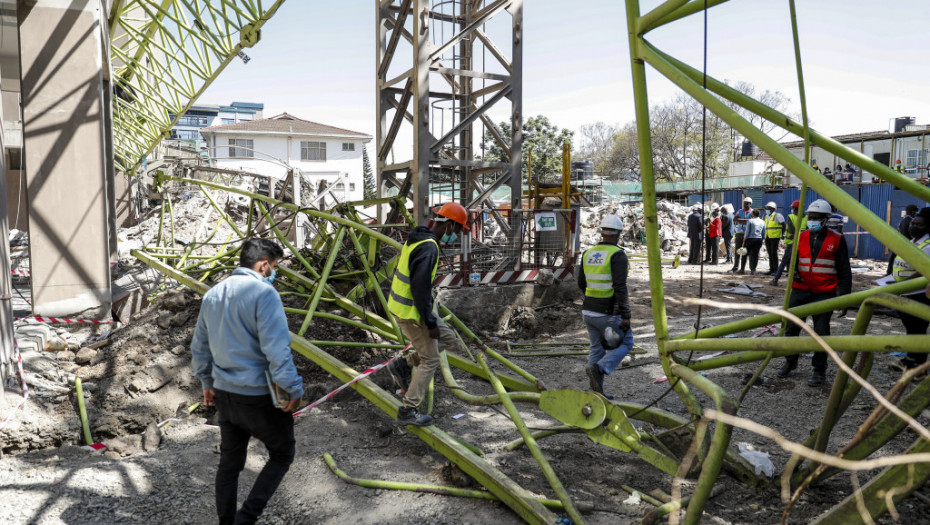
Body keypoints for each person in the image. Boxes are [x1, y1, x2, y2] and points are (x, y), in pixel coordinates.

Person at [191, 238, 304, 525]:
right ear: (264, 263)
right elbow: (276, 351)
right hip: (258, 396)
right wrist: (292, 389)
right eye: (274, 267)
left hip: (224, 395)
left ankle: (227, 522)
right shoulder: (264, 294)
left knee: (229, 464)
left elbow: (200, 347)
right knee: (282, 454)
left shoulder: (213, 294)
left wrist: (206, 381)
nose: (273, 273)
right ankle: (247, 518)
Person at [386, 202, 469, 427]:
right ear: (450, 225)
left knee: (450, 341)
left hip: (414, 309)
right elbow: (420, 288)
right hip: (412, 313)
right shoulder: (429, 247)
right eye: (459, 229)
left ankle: (404, 364)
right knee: (431, 359)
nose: (459, 234)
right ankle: (408, 410)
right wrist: (430, 321)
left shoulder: (421, 238)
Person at [776, 199, 852, 386]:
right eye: (811, 217)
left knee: (821, 332)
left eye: (817, 218)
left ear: (826, 219)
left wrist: (844, 298)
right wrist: (791, 273)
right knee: (791, 328)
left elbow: (844, 270)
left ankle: (819, 370)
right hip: (800, 291)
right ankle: (790, 362)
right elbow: (791, 261)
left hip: (823, 294)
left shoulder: (837, 240)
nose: (813, 220)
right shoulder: (801, 237)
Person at [578, 214, 633, 398]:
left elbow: (581, 283)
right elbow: (620, 287)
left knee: (596, 349)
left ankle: (596, 395)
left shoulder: (588, 253)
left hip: (588, 312)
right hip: (608, 314)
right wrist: (626, 314)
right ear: (618, 234)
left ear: (602, 232)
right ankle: (601, 368)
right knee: (626, 342)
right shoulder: (618, 255)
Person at [889, 207, 930, 372]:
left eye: (918, 224)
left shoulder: (927, 246)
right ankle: (910, 360)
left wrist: (901, 284)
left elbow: (923, 272)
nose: (913, 226)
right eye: (913, 223)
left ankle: (919, 367)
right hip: (905, 292)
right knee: (911, 330)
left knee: (918, 330)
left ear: (927, 228)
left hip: (919, 295)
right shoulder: (912, 242)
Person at [771, 200, 807, 286]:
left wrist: (794, 235)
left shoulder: (790, 216)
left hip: (791, 243)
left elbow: (791, 230)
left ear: (795, 208)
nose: (792, 209)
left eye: (793, 208)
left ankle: (776, 279)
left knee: (784, 261)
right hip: (802, 243)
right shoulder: (806, 218)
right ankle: (797, 279)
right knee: (798, 261)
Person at [886, 204, 919, 275]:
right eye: (916, 212)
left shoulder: (903, 220)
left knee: (893, 259)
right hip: (907, 244)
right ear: (913, 212)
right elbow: (909, 233)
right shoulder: (911, 221)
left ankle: (889, 273)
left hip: (899, 243)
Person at [729, 197, 754, 272]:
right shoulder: (739, 211)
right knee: (737, 251)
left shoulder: (752, 212)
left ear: (750, 204)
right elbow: (735, 219)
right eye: (745, 203)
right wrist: (745, 221)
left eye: (747, 203)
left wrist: (740, 220)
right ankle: (735, 267)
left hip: (747, 234)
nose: (746, 205)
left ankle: (743, 268)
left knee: (745, 251)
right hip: (739, 233)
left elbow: (751, 221)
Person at [763, 201, 785, 275]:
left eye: (768, 208)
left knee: (774, 253)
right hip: (768, 237)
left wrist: (782, 234)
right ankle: (771, 269)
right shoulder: (766, 216)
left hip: (775, 237)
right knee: (769, 253)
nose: (766, 209)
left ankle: (776, 270)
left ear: (772, 209)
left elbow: (784, 225)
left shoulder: (778, 216)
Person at [741, 209, 765, 274]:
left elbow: (747, 232)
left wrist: (744, 240)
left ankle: (742, 269)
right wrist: (762, 239)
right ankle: (753, 270)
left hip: (750, 239)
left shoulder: (750, 221)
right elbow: (763, 232)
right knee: (755, 255)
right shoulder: (762, 222)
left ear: (753, 214)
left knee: (744, 253)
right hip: (758, 239)